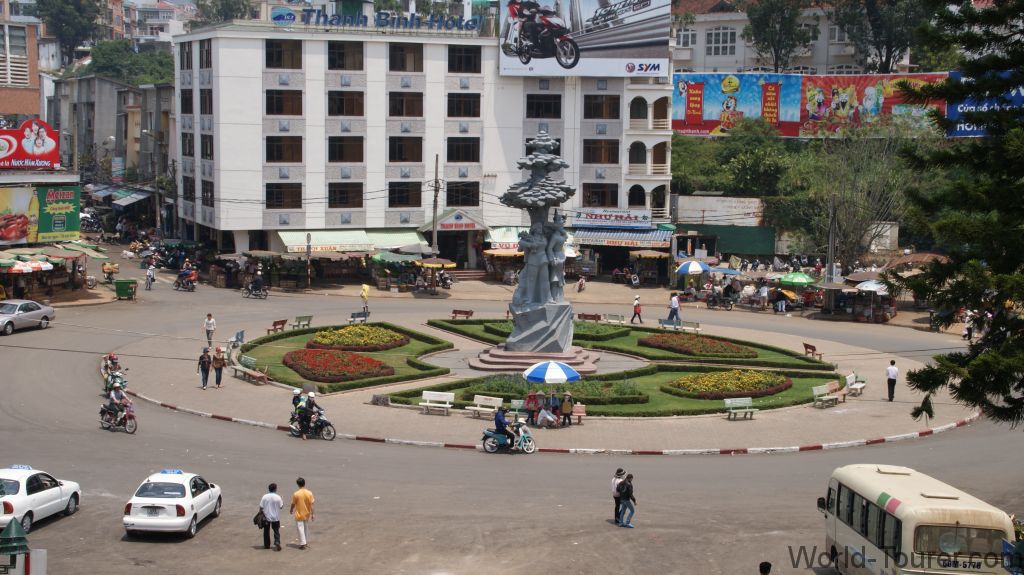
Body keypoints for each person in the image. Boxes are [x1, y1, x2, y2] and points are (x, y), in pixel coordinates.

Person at [290, 477, 315, 550]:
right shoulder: (309, 493)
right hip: (307, 513)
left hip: (299, 514)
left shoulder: (296, 494)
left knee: (300, 529)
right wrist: (313, 514)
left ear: (298, 484)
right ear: (304, 483)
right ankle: (305, 542)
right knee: (305, 528)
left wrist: (291, 509)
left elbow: (293, 503)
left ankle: (303, 544)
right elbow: (312, 505)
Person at [260, 483, 283, 551]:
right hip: (275, 517)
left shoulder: (264, 497)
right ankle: (277, 541)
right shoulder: (278, 497)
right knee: (276, 530)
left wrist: (260, 513)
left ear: (269, 489)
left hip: (266, 517)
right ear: (275, 489)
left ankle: (267, 545)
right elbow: (281, 506)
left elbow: (261, 507)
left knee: (266, 531)